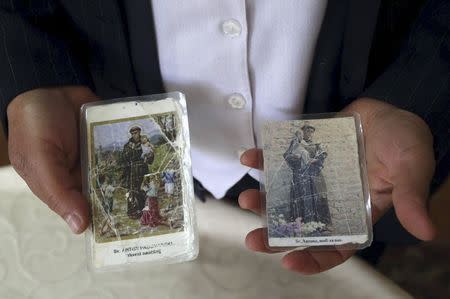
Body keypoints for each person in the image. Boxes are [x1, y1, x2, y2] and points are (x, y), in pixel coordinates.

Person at [2, 1, 448, 275]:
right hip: (113, 105)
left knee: (334, 265)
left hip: (364, 152)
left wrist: (419, 97)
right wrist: (35, 77)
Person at [283, 127, 331, 226]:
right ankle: (301, 224)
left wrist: (315, 160)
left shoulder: (317, 145)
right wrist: (296, 159)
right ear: (303, 132)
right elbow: (287, 155)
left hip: (314, 174)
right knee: (301, 196)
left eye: (312, 132)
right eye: (307, 131)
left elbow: (322, 156)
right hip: (300, 175)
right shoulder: (296, 143)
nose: (309, 133)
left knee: (318, 195)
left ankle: (321, 224)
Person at [121, 126, 148, 219]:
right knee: (132, 190)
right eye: (132, 133)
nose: (134, 135)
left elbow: (150, 153)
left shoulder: (144, 142)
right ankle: (132, 212)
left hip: (143, 170)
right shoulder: (128, 145)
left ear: (139, 132)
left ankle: (143, 209)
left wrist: (148, 157)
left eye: (136, 133)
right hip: (132, 171)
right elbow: (124, 159)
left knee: (142, 189)